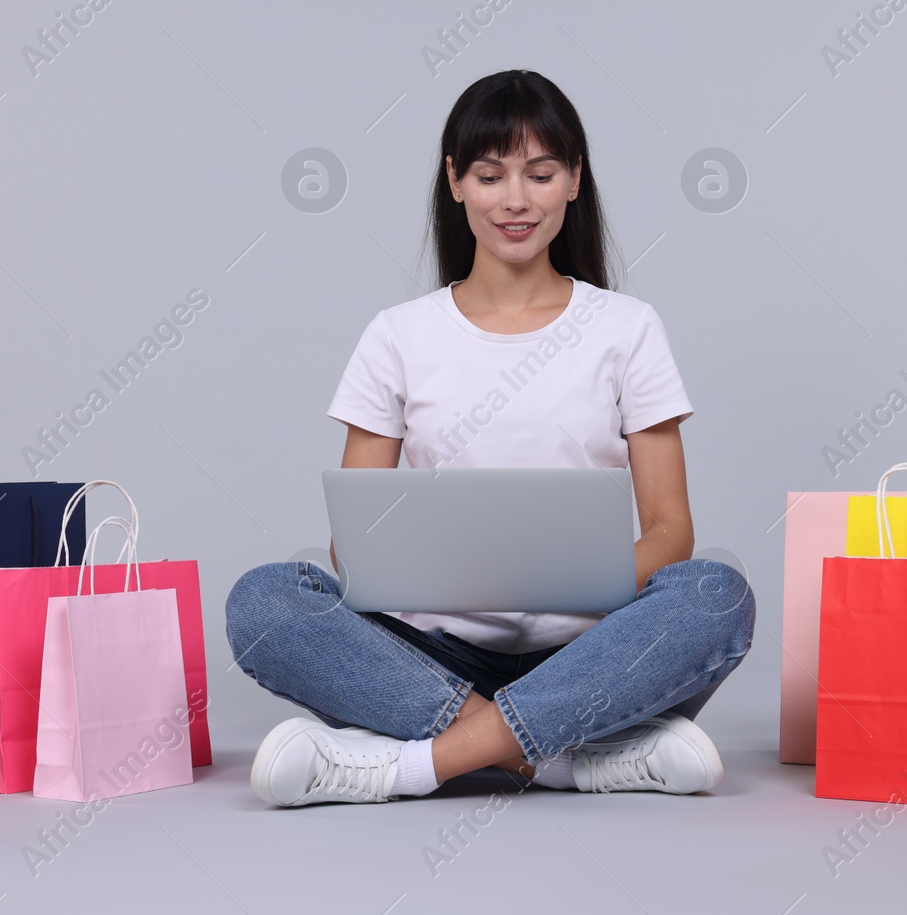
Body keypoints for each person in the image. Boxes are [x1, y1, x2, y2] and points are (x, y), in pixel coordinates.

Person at [225, 69, 755, 807]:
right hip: (431, 654)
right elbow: (357, 543)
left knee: (714, 595)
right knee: (265, 601)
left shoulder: (627, 329)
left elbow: (671, 531)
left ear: (574, 180)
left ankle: (412, 765)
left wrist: (572, 582)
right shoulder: (398, 335)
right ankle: (566, 757)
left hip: (591, 650)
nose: (515, 200)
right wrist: (443, 574)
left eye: (540, 174)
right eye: (489, 174)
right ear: (455, 181)